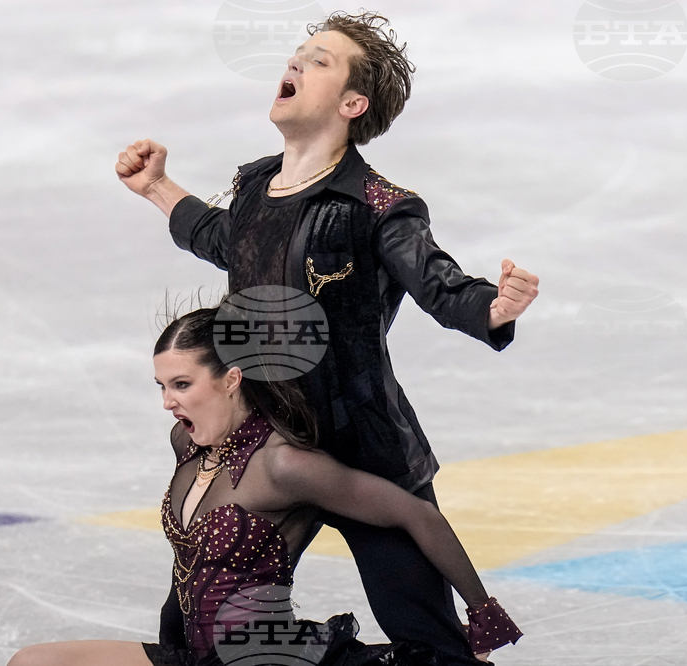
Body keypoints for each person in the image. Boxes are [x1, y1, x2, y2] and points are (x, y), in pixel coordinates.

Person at [115, 9, 539, 664]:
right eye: (298, 54)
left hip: (362, 449)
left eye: (320, 61)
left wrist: (494, 308)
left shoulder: (379, 206)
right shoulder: (258, 186)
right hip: (267, 444)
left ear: (352, 102)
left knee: (429, 641)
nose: (296, 64)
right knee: (188, 627)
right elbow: (223, 239)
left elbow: (438, 284)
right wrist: (158, 188)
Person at [7, 302, 522, 666]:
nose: (168, 401)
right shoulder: (186, 445)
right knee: (31, 662)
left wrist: (481, 616)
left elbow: (416, 514)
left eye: (182, 385)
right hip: (192, 656)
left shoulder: (284, 464)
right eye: (162, 386)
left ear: (231, 378)